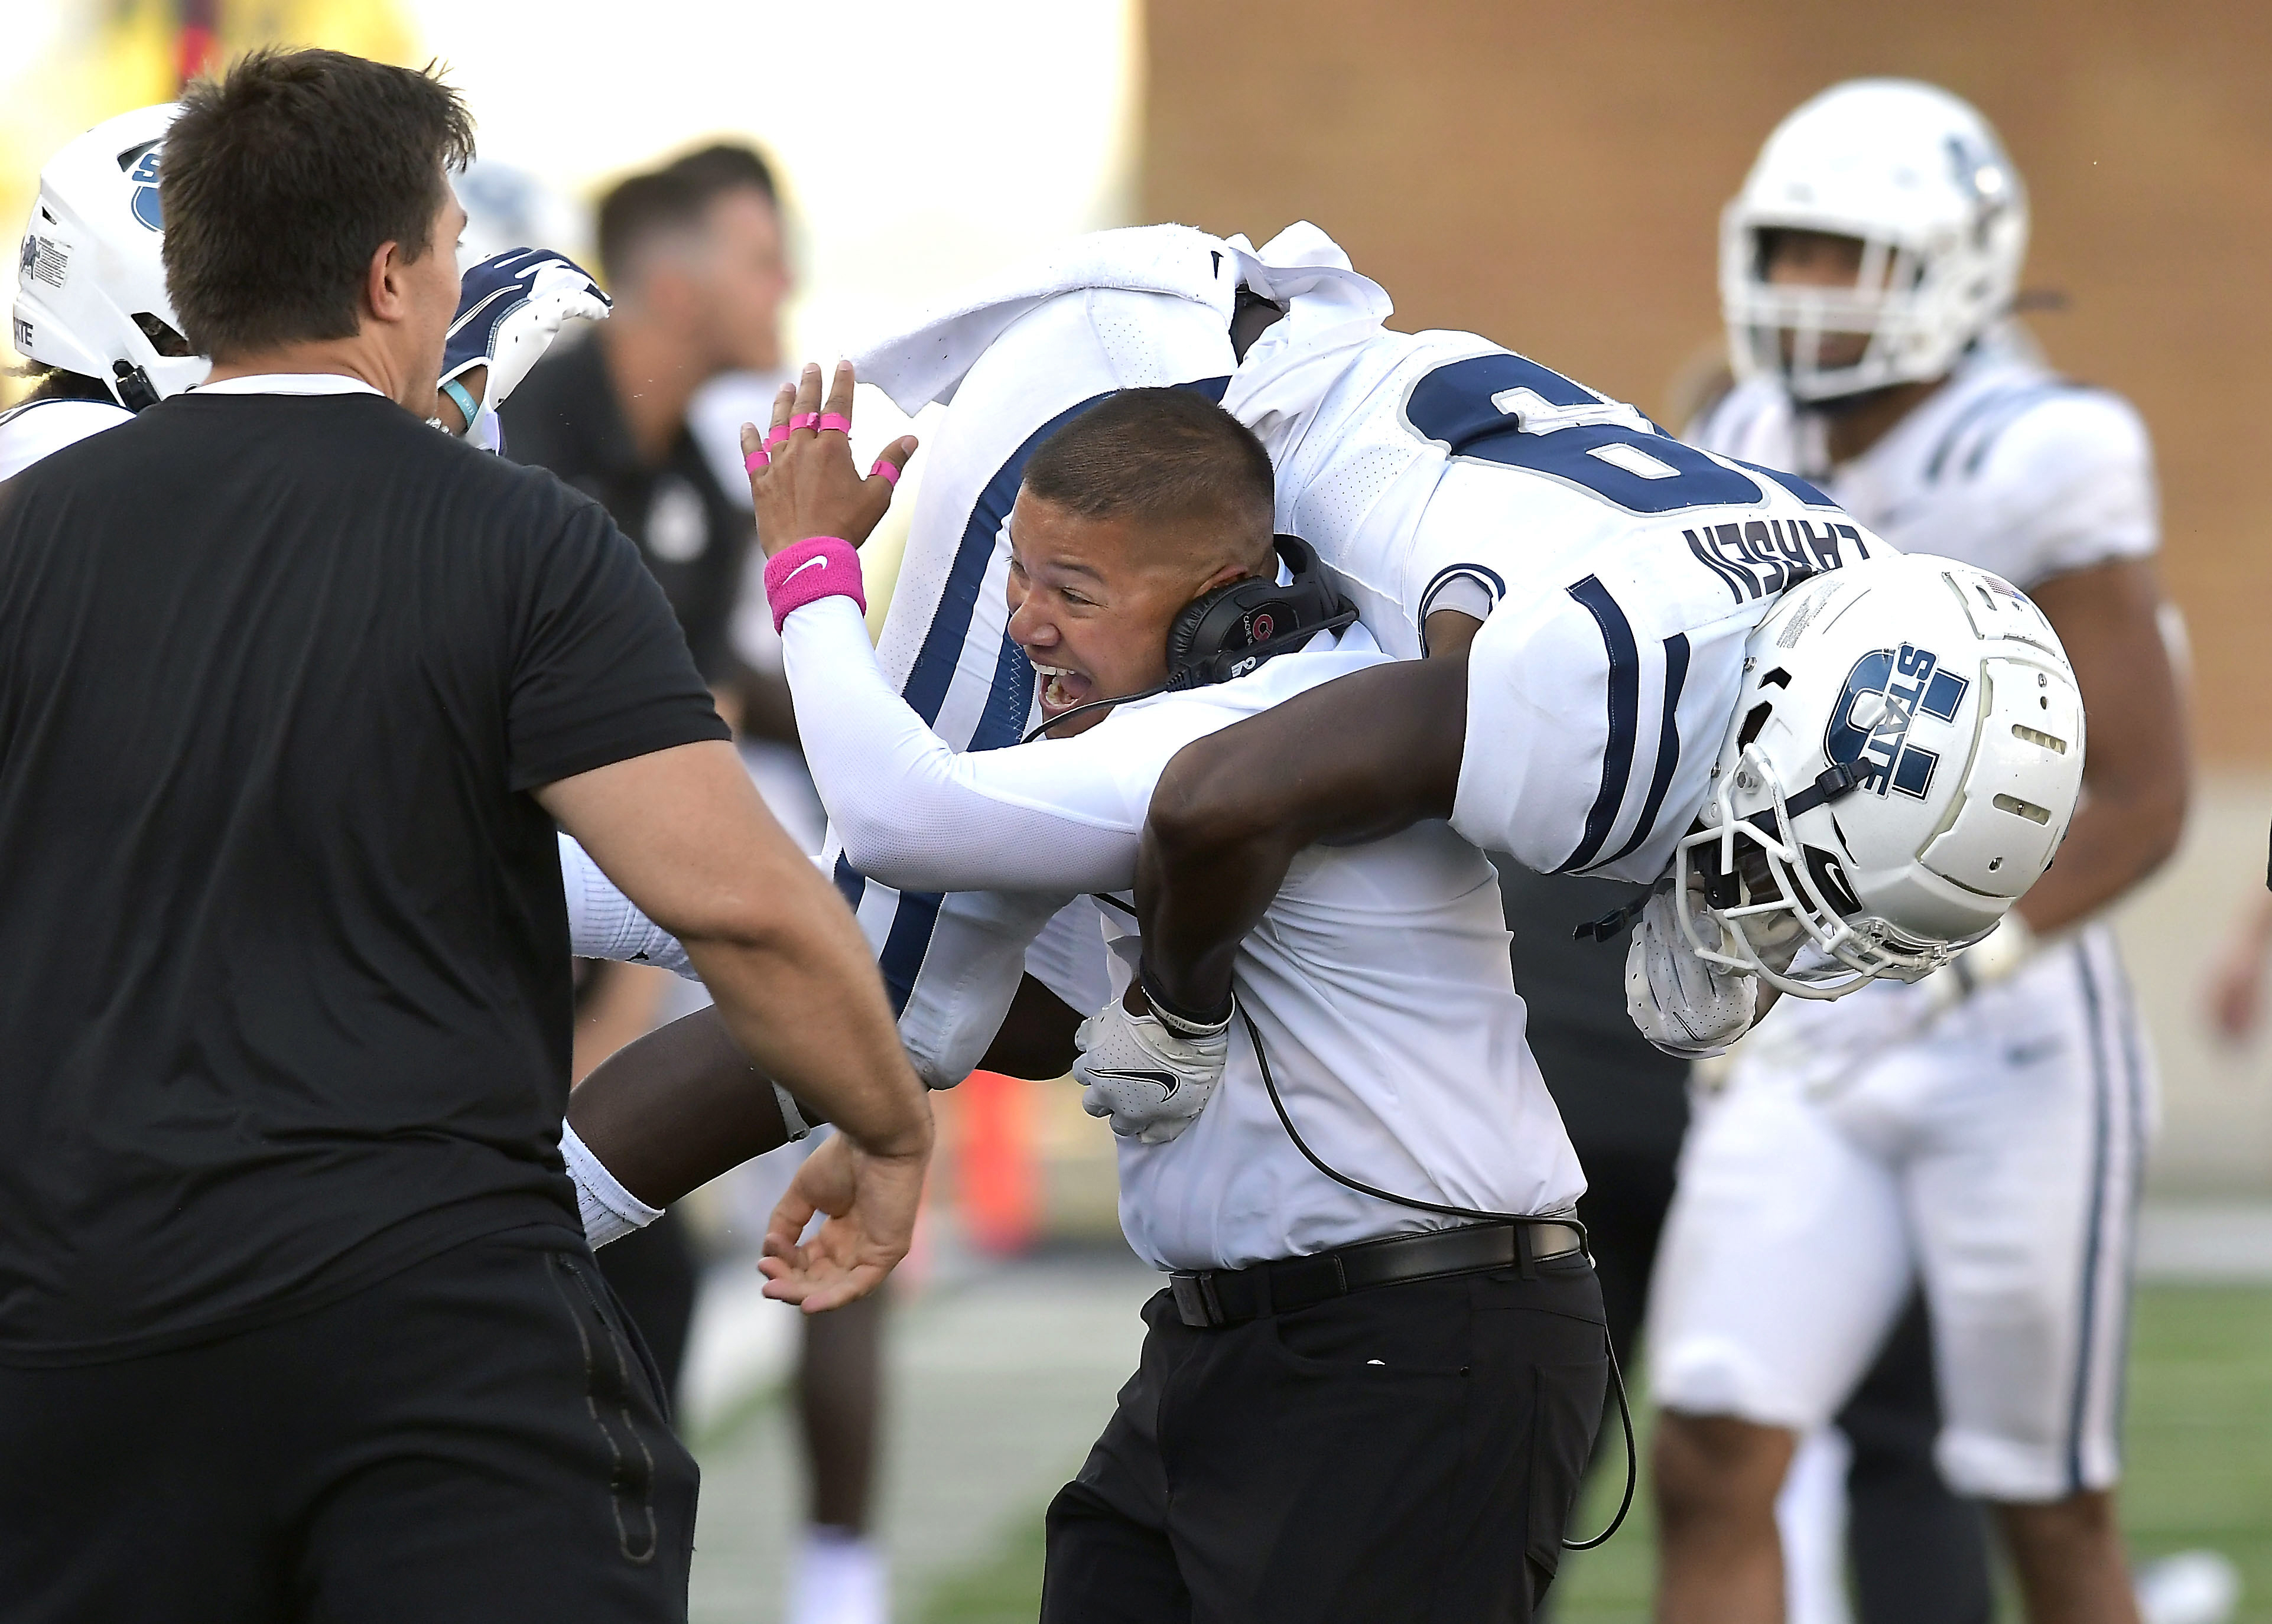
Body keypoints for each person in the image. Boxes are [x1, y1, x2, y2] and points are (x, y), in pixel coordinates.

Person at [0, 48, 928, 1624]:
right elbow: (745, 911)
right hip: (421, 1323)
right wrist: (888, 1124)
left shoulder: (26, 535)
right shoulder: (513, 533)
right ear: (386, 276)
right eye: (442, 245)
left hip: (84, 1324)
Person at [745, 371, 1607, 1620]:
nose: (1030, 624)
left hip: (1414, 1341)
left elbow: (896, 817)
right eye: (1024, 575)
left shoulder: (1242, 720)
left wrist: (812, 570)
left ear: (1219, 608)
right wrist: (882, 1109)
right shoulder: (1192, 716)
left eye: (1076, 593)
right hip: (1248, 1336)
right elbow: (1021, 998)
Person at [1649, 79, 2188, 1624]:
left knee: (2047, 1498)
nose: (1809, 292)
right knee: (1706, 1445)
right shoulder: (1739, 430)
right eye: (1793, 249)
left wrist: (1978, 945)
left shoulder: (2042, 452)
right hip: (1806, 1018)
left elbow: (2141, 796)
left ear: (1956, 264)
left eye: (1850, 256)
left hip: (2001, 1034)